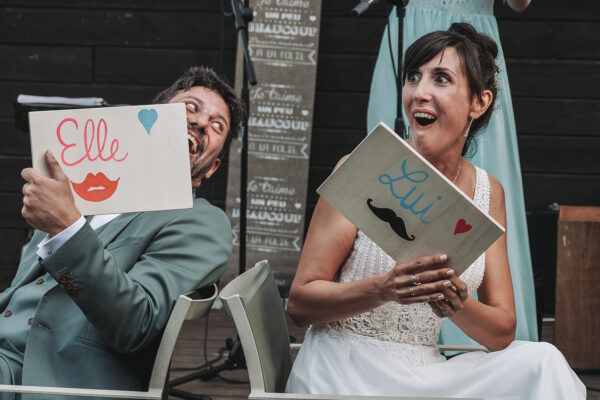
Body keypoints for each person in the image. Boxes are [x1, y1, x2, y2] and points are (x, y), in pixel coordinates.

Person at [285, 24, 585, 399]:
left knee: (544, 361)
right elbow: (299, 304)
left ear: (479, 102)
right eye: (414, 77)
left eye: (441, 79)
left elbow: (502, 331)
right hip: (344, 368)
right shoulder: (364, 167)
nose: (419, 93)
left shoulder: (487, 192)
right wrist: (384, 288)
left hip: (426, 371)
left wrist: (457, 305)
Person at [0, 66, 245, 398]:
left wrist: (66, 228)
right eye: (190, 107)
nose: (202, 122)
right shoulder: (85, 186)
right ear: (148, 121)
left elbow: (136, 323)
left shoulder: (202, 223)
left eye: (218, 125)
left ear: (211, 168)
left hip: (52, 378)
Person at [368, 0, 538, 345]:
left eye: (434, 81)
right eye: (412, 80)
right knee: (387, 168)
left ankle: (467, 332)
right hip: (411, 23)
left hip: (472, 37)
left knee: (477, 183)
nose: (419, 91)